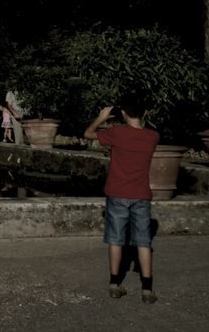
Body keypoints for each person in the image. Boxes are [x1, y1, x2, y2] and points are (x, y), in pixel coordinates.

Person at [84, 96, 159, 303]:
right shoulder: (153, 136)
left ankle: (115, 284)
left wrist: (101, 118)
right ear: (145, 113)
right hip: (141, 195)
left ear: (124, 112)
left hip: (117, 192)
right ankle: (147, 289)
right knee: (143, 242)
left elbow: (88, 134)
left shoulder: (116, 133)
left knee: (116, 239)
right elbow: (142, 130)